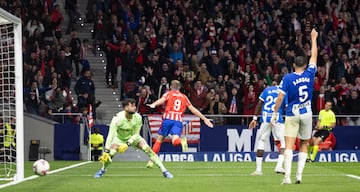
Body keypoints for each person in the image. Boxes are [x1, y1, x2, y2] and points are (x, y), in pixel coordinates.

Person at [271, 28, 318, 184]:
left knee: (289, 145)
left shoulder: (287, 78)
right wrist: (313, 38)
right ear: (305, 65)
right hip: (307, 113)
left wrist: (274, 112)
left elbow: (280, 98)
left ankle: (287, 177)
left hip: (292, 113)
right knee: (304, 144)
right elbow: (314, 56)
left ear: (293, 65)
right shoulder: (309, 73)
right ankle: (299, 176)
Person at [94, 98, 174, 179]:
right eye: (132, 106)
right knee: (111, 154)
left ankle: (164, 171)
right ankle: (102, 170)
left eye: (135, 105)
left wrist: (127, 144)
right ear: (126, 108)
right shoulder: (117, 119)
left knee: (148, 150)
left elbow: (136, 133)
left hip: (134, 138)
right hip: (119, 138)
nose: (134, 107)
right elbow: (110, 135)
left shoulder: (138, 117)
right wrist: (106, 151)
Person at [146, 80, 214, 168]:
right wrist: (204, 119)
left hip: (167, 119)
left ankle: (151, 161)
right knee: (175, 141)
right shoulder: (184, 97)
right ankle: (181, 141)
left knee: (159, 140)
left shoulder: (168, 94)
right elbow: (193, 109)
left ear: (170, 87)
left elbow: (162, 100)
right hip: (178, 121)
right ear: (179, 88)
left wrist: (154, 104)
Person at [248, 83, 287, 175]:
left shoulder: (267, 90)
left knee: (261, 141)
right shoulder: (283, 92)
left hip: (265, 118)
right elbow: (286, 106)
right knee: (283, 142)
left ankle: (258, 170)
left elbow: (259, 104)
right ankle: (279, 166)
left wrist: (254, 119)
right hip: (277, 118)